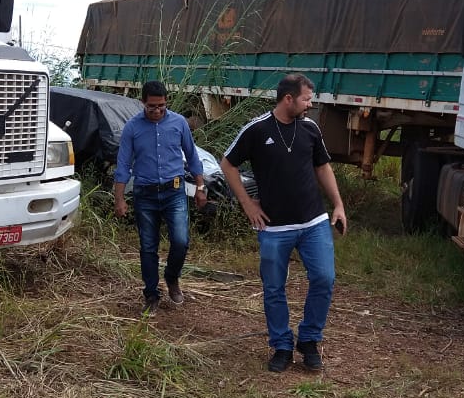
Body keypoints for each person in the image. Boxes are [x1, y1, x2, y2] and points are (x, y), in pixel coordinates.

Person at [221, 73, 347, 373]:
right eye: (306, 98)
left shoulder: (310, 129)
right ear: (288, 99)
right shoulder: (257, 129)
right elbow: (228, 163)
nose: (311, 103)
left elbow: (322, 167)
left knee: (324, 279)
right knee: (274, 288)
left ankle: (309, 340)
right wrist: (247, 203)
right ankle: (281, 344)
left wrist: (339, 205)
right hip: (274, 228)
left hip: (313, 222)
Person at [114, 80, 207, 314]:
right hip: (145, 194)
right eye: (152, 107)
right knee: (148, 247)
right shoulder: (132, 128)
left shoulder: (178, 123)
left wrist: (200, 186)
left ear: (167, 102)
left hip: (173, 191)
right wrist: (119, 198)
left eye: (161, 106)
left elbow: (192, 156)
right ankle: (151, 294)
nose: (157, 111)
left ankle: (172, 277)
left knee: (180, 241)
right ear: (143, 103)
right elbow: (123, 164)